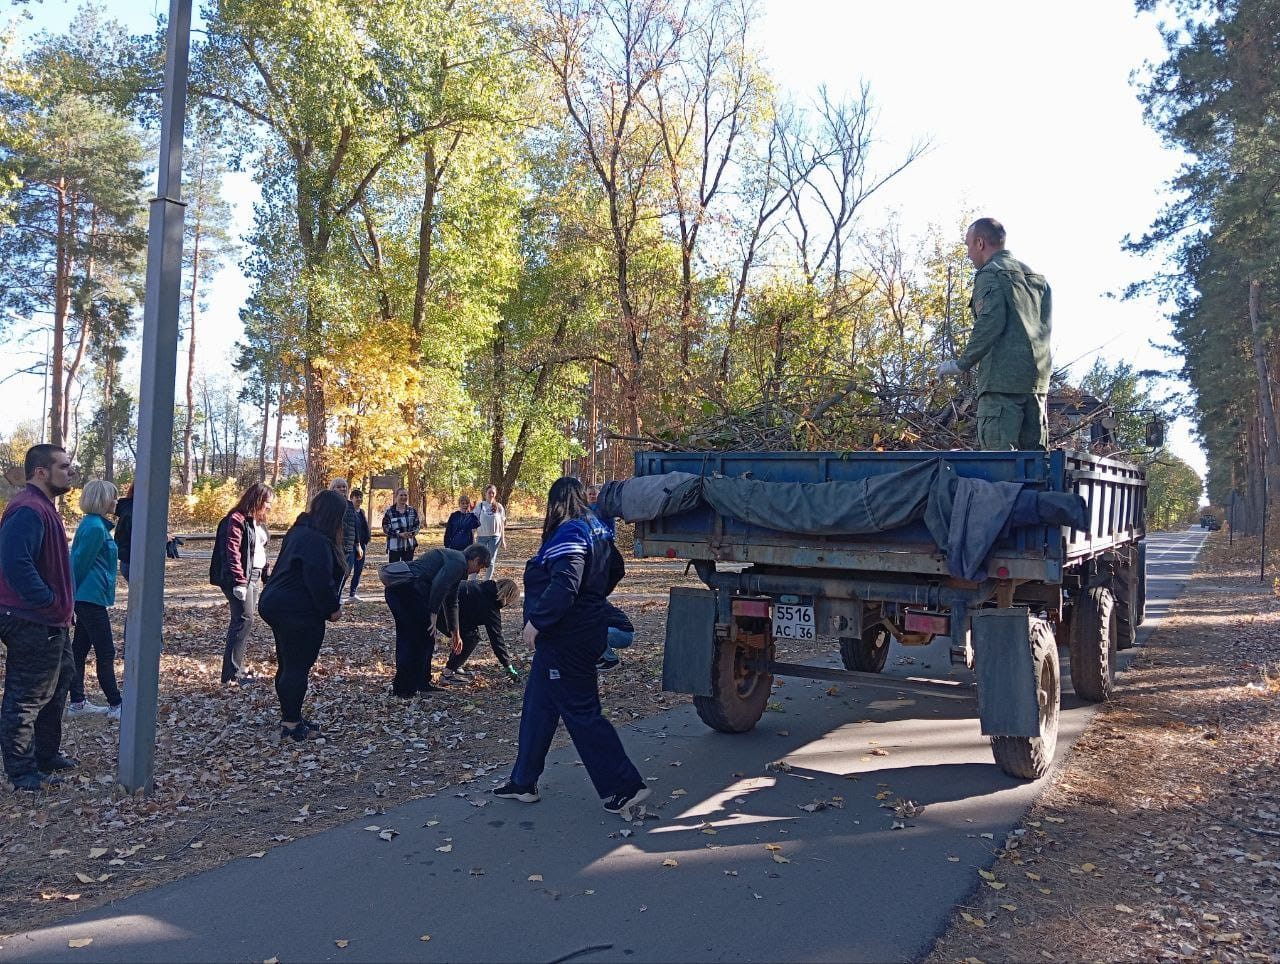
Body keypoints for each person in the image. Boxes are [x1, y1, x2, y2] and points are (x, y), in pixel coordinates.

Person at [492, 477, 650, 818]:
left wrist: (538, 622)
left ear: (556, 504)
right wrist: (594, 597)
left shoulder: (571, 533)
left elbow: (566, 582)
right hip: (576, 633)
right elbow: (615, 569)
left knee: (581, 711)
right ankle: (523, 781)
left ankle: (625, 787)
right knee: (538, 706)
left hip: (567, 637)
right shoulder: (596, 528)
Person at [0, 445, 79, 791]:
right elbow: (16, 563)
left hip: (52, 620)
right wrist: (46, 602)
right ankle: (21, 772)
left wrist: (62, 606)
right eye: (63, 467)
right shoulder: (28, 509)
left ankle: (46, 755)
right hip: (31, 619)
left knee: (58, 684)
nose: (70, 472)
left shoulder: (43, 507)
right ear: (41, 472)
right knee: (26, 697)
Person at [936, 218, 1052, 451]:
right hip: (1036, 385)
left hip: (1001, 386)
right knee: (1037, 468)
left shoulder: (991, 274)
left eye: (968, 245)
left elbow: (990, 322)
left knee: (1001, 469)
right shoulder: (1037, 280)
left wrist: (961, 364)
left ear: (980, 243)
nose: (968, 254)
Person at [257, 490, 347, 741]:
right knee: (297, 665)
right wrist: (331, 608)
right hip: (295, 608)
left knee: (287, 663)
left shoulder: (299, 531)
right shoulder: (316, 541)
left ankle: (291, 714)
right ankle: (291, 723)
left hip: (276, 602)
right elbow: (318, 580)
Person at [384, 544, 490, 698]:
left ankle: (419, 683)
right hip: (406, 591)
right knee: (415, 639)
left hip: (402, 591)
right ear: (475, 559)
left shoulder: (456, 561)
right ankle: (405, 688)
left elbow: (452, 601)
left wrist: (456, 632)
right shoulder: (458, 562)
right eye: (480, 566)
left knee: (422, 639)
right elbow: (439, 585)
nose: (478, 571)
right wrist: (433, 614)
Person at [67, 480, 123, 720]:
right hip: (88, 598)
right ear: (102, 500)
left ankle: (78, 702)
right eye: (113, 497)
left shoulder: (98, 525)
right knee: (105, 650)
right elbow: (78, 564)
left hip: (92, 596)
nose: (116, 501)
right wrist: (69, 599)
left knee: (79, 649)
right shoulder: (94, 527)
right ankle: (116, 703)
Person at [210, 482, 273, 685]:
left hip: (254, 577)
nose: (269, 507)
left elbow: (259, 551)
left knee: (246, 620)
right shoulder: (236, 520)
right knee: (243, 620)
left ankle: (234, 671)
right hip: (240, 579)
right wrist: (239, 581)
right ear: (257, 500)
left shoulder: (258, 522)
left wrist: (266, 574)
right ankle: (231, 675)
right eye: (267, 503)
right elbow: (232, 552)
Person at [438, 578, 521, 684]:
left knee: (469, 632)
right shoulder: (490, 605)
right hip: (444, 611)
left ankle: (455, 665)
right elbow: (497, 639)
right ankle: (448, 673)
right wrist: (508, 666)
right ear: (507, 597)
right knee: (471, 637)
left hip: (443, 603)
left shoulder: (482, 586)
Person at [474, 484, 506, 580]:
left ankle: (486, 582)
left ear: (495, 494)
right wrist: (472, 536)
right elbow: (474, 521)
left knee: (491, 561)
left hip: (495, 537)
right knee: (478, 559)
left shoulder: (499, 507)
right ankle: (472, 582)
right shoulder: (480, 505)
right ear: (485, 493)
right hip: (482, 536)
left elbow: (502, 524)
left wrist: (503, 539)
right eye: (489, 492)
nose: (491, 494)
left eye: (493, 492)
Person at [345, 487, 371, 604]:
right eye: (357, 497)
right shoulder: (348, 511)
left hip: (362, 544)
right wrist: (357, 545)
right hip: (352, 545)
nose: (359, 499)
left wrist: (365, 541)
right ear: (351, 499)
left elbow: (364, 528)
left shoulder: (362, 512)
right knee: (348, 569)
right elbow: (352, 530)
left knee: (358, 570)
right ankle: (338, 593)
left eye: (361, 497)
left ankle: (353, 594)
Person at [382, 488, 421, 563]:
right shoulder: (389, 512)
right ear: (396, 497)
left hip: (409, 545)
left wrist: (412, 533)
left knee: (407, 569)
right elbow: (385, 528)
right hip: (395, 546)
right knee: (394, 569)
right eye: (401, 495)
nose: (403, 497)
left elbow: (417, 525)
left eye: (405, 495)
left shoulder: (412, 511)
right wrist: (399, 534)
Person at [114, 483, 134, 582]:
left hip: (126, 560)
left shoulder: (127, 507)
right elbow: (136, 535)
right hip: (133, 561)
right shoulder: (136, 510)